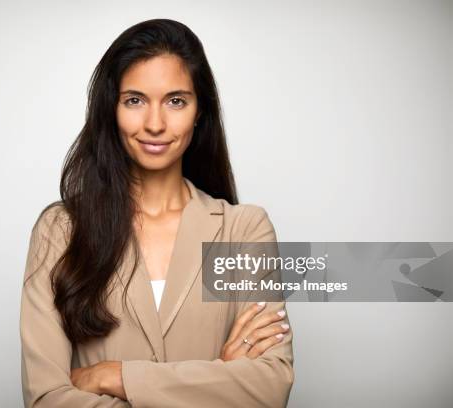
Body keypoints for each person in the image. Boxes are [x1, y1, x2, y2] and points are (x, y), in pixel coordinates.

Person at [20, 18, 294, 407]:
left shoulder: (243, 229)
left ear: (200, 111)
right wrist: (216, 378)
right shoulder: (61, 230)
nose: (155, 124)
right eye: (135, 100)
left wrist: (114, 376)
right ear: (111, 109)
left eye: (176, 101)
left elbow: (269, 386)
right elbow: (47, 399)